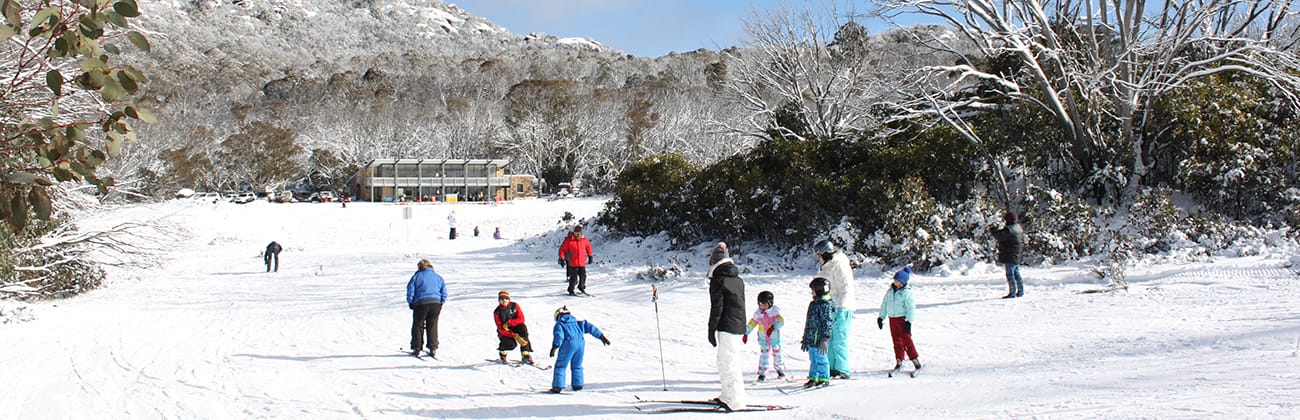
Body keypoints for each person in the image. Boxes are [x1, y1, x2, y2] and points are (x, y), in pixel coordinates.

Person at [706, 242, 747, 411]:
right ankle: (727, 396)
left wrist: (711, 329)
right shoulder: (737, 279)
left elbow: (717, 307)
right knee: (727, 360)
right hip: (737, 325)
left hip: (727, 326)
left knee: (728, 362)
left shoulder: (719, 280)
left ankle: (735, 401)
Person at [813, 239, 856, 379]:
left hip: (841, 307)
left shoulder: (839, 265)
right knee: (828, 339)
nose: (818, 258)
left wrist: (842, 308)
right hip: (828, 307)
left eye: (819, 255)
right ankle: (831, 368)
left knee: (839, 339)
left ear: (825, 254)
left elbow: (846, 288)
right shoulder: (825, 266)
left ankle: (843, 369)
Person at [549, 306, 611, 393]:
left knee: (561, 365)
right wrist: (601, 336)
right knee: (577, 365)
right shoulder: (578, 322)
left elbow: (559, 335)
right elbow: (590, 327)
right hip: (580, 345)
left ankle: (558, 386)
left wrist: (555, 346)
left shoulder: (560, 324)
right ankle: (577, 385)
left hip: (568, 344)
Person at [878, 267, 921, 374]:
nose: (895, 282)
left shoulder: (907, 293)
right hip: (892, 319)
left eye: (897, 281)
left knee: (907, 340)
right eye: (895, 280)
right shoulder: (890, 291)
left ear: (902, 282)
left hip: (902, 319)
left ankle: (915, 360)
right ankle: (899, 360)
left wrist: (908, 321)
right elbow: (884, 304)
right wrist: (881, 317)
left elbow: (910, 308)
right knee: (896, 341)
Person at [406, 259, 447, 358]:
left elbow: (411, 290)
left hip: (421, 303)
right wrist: (441, 301)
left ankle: (417, 347)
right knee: (432, 325)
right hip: (435, 303)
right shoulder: (438, 277)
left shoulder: (416, 276)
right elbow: (444, 291)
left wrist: (411, 302)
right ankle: (433, 347)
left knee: (418, 325)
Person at [745, 290, 787, 383]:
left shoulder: (775, 312)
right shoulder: (758, 314)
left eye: (765, 304)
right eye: (760, 304)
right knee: (764, 356)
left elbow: (781, 321)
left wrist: (774, 327)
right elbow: (752, 323)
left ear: (770, 303)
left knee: (777, 354)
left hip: (774, 338)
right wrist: (746, 332)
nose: (762, 306)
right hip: (763, 339)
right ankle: (762, 373)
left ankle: (780, 370)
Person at [801, 277, 835, 388]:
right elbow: (809, 322)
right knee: (813, 360)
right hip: (812, 338)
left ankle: (824, 378)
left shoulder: (825, 305)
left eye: (813, 290)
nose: (812, 292)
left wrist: (825, 339)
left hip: (820, 339)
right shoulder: (813, 304)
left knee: (821, 360)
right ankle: (813, 378)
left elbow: (828, 323)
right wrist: (806, 338)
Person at [493, 290, 534, 365]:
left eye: (506, 298)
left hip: (516, 327)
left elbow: (521, 319)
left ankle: (525, 354)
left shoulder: (514, 306)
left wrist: (509, 322)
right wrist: (514, 335)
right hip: (505, 332)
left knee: (523, 330)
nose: (504, 300)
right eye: (502, 299)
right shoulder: (497, 312)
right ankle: (502, 353)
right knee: (511, 345)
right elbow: (500, 329)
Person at [992, 211, 1026, 298]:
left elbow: (1000, 236)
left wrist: (993, 230)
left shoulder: (1010, 229)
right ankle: (1020, 291)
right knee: (1016, 273)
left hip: (1010, 255)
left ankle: (1012, 292)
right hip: (1017, 254)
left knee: (1010, 275)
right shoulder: (1018, 227)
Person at [557, 226, 594, 295]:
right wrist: (562, 258)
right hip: (573, 262)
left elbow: (588, 247)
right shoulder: (569, 240)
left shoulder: (584, 240)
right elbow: (562, 249)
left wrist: (590, 255)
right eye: (576, 233)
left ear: (581, 233)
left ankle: (581, 287)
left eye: (579, 233)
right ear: (574, 232)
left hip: (582, 262)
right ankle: (571, 290)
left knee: (583, 276)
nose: (577, 235)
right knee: (573, 278)